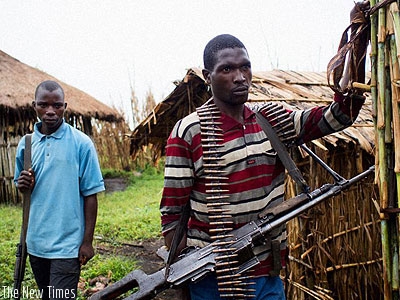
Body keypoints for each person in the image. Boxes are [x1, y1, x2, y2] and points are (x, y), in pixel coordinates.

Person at [159, 34, 366, 299]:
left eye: (245, 66)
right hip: (214, 279)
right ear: (207, 76)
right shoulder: (189, 131)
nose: (239, 76)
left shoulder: (271, 118)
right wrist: (183, 278)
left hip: (267, 273)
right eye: (227, 69)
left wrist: (359, 41)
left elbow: (341, 115)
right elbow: (173, 212)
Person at [14, 80, 105, 300]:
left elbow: (90, 195)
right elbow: (21, 189)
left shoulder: (81, 143)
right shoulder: (25, 145)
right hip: (35, 243)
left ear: (65, 106)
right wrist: (22, 185)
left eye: (57, 106)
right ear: (34, 105)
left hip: (68, 246)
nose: (50, 111)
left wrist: (87, 241)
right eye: (44, 105)